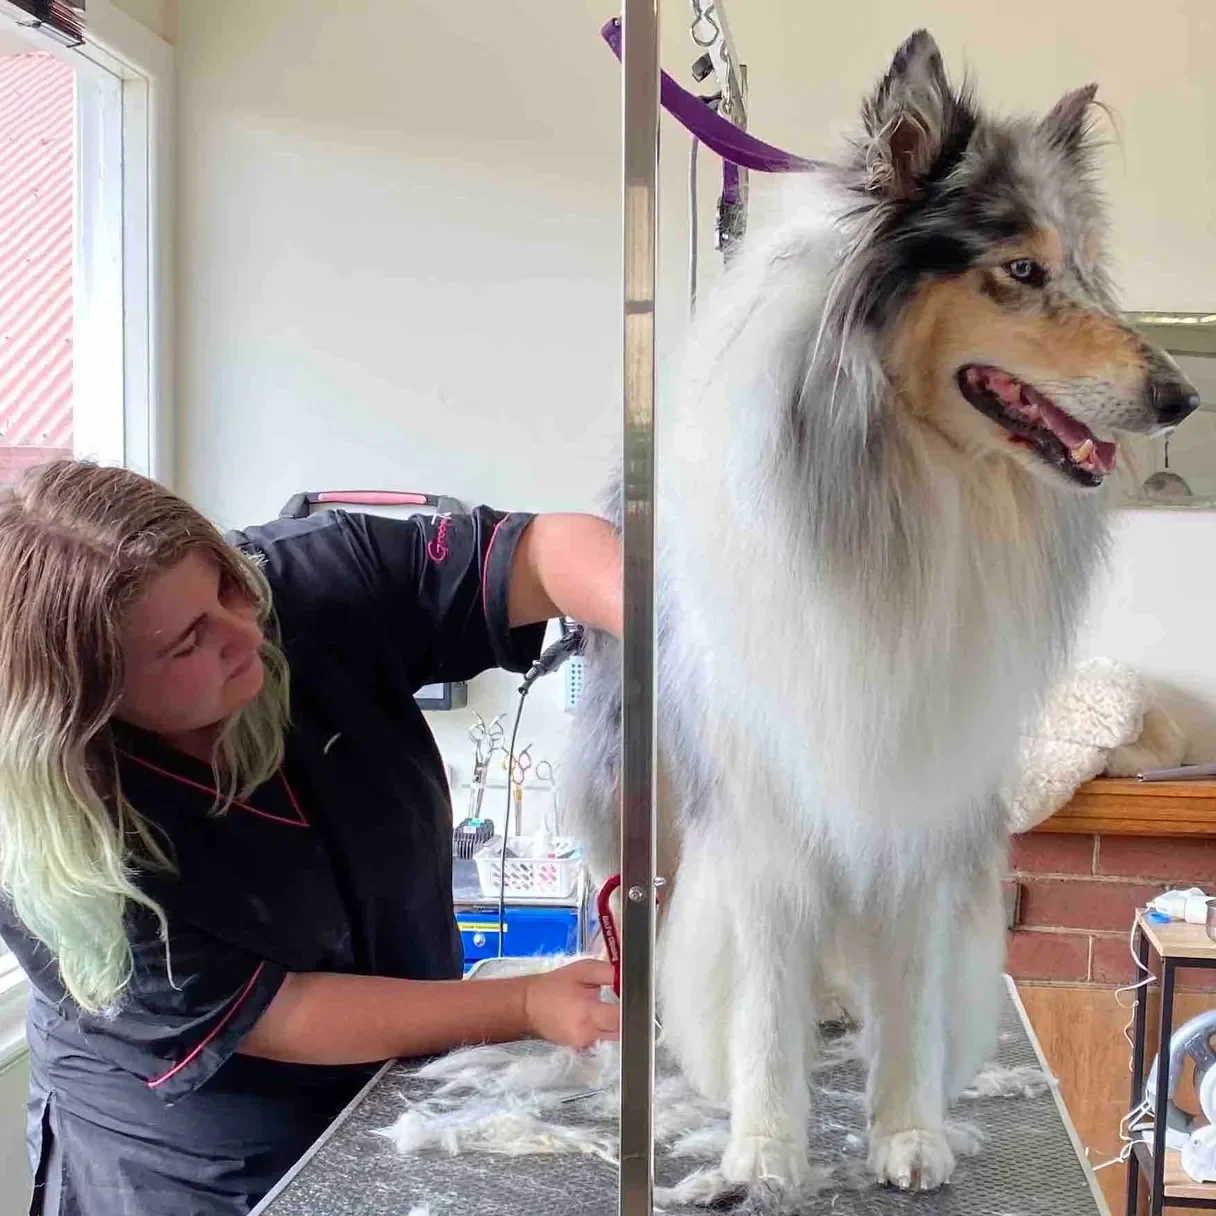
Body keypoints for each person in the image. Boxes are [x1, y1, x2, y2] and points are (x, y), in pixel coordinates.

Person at [0, 460, 623, 1216]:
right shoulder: (51, 851)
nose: (247, 633)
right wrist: (523, 1005)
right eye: (187, 643)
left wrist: (670, 641)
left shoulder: (301, 582)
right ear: (89, 702)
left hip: (394, 1084)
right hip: (195, 1166)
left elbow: (543, 555)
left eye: (225, 585)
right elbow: (281, 1012)